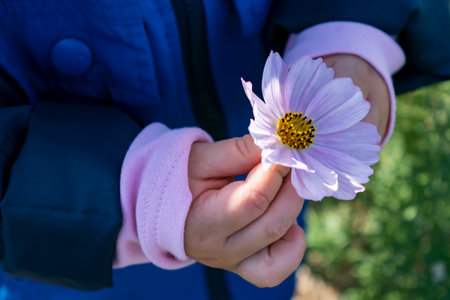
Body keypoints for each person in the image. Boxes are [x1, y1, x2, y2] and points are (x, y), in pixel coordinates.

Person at [0, 0, 449, 299]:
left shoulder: (296, 141)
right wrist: (137, 196)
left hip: (256, 232)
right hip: (64, 241)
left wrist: (350, 31)